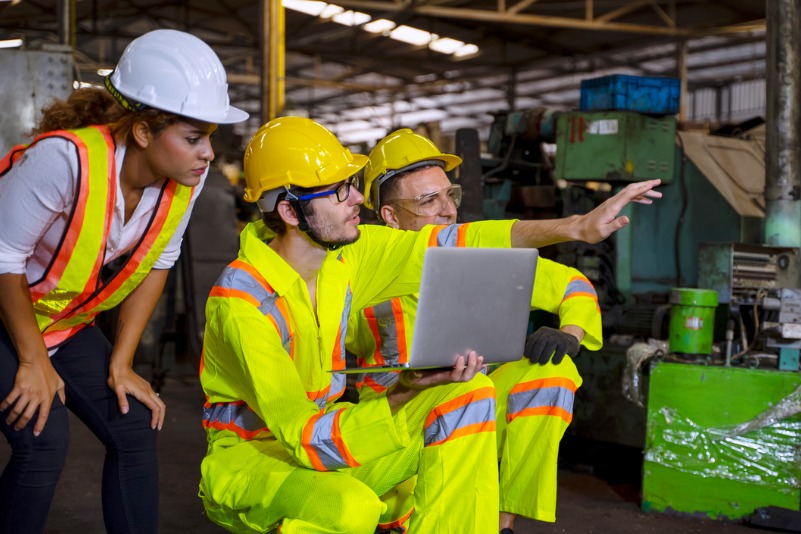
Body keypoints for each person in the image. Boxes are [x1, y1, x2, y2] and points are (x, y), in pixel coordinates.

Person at [197, 116, 661, 533]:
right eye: (340, 190)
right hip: (258, 457)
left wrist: (577, 226)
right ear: (290, 211)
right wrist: (403, 395)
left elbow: (467, 241)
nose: (357, 197)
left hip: (335, 433)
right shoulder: (243, 303)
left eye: (353, 183)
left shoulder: (346, 259)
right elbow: (303, 439)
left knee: (467, 394)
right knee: (351, 508)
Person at [0, 29, 248, 534]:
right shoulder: (64, 160)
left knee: (133, 425)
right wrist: (32, 360)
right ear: (142, 133)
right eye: (193, 137)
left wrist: (121, 363)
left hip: (61, 324)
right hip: (4, 310)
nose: (207, 154)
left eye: (210, 138)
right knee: (43, 436)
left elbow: (159, 265)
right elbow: (3, 257)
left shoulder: (183, 184)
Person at [348, 129, 602, 533]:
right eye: (428, 200)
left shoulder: (479, 258)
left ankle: (502, 523)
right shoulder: (358, 270)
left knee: (551, 375)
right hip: (393, 420)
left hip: (470, 407)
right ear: (390, 216)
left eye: (450, 196)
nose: (447, 210)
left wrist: (569, 332)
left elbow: (573, 284)